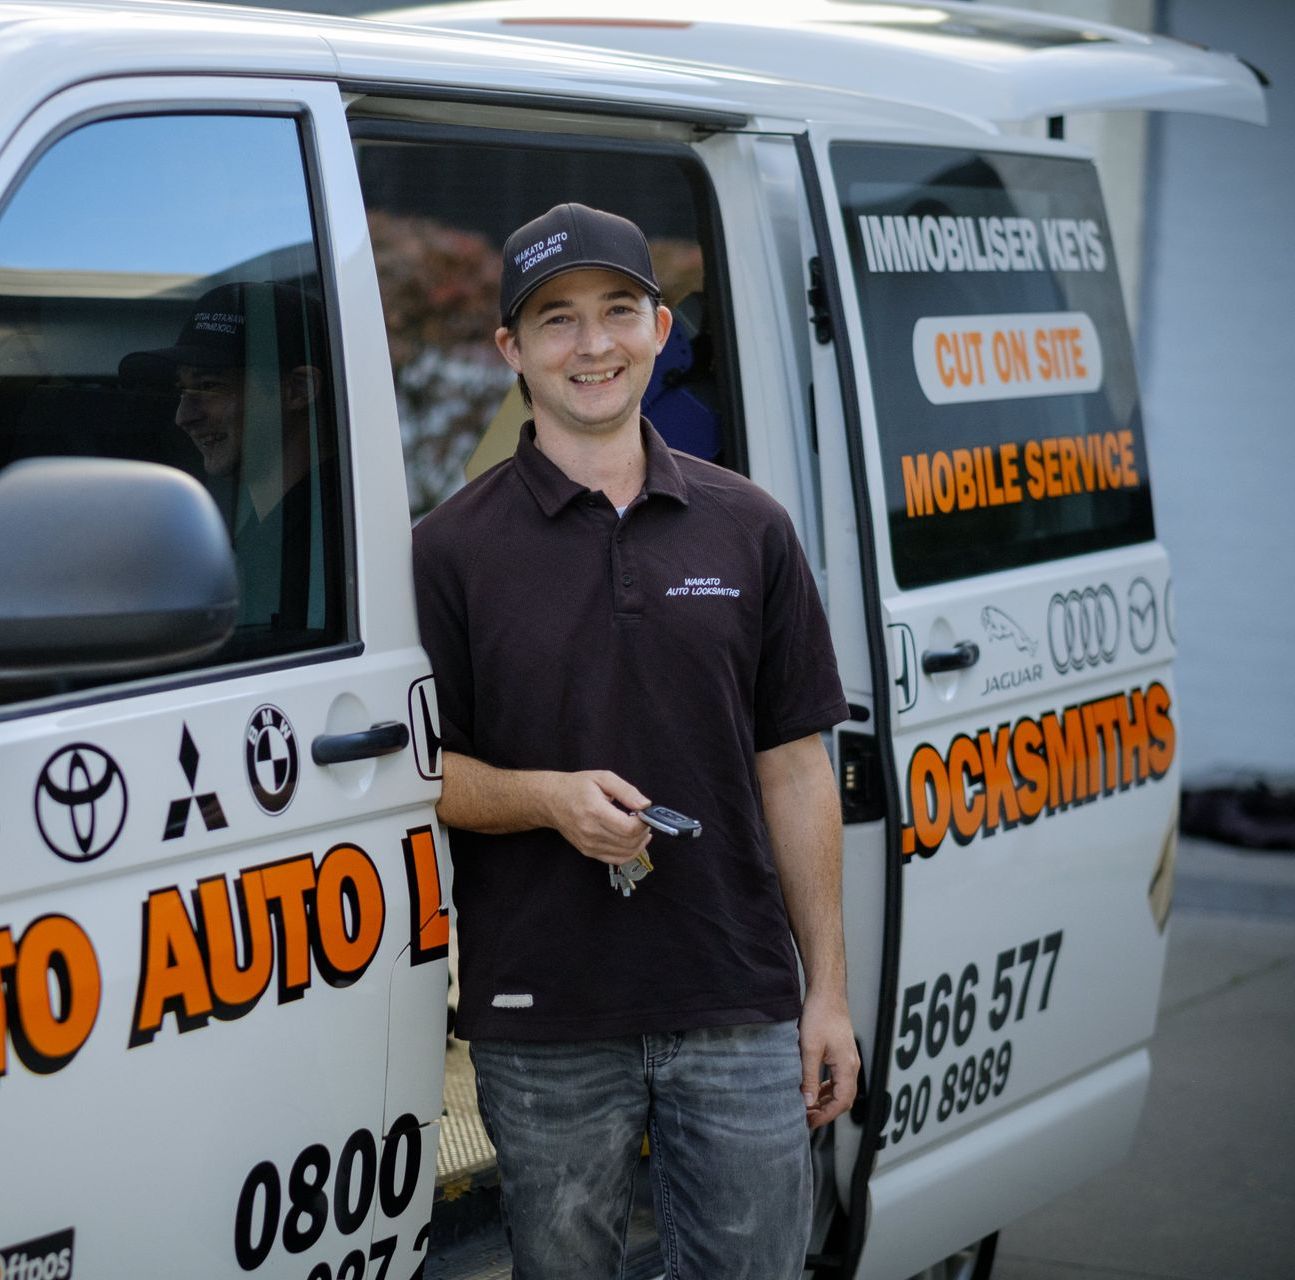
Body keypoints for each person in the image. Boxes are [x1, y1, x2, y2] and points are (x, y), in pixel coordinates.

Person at [412, 203, 858, 1280]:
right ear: (510, 350)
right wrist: (547, 798)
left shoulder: (748, 524)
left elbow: (796, 767)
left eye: (618, 310)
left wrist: (825, 992)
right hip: (543, 1013)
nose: (593, 344)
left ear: (661, 326)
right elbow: (426, 775)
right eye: (556, 320)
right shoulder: (449, 550)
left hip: (736, 1000)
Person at [120, 281, 328, 628]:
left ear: (298, 391)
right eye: (182, 390)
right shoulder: (271, 536)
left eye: (210, 385)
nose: (184, 416)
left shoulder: (328, 546)